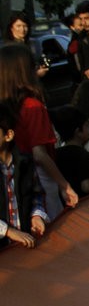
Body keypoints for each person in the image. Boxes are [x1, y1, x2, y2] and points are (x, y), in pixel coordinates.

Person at [0, 44, 78, 218]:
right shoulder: (32, 106)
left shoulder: (5, 105)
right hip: (39, 178)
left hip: (13, 177)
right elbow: (40, 154)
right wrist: (64, 185)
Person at [0, 100, 47, 249]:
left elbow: (36, 194)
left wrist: (36, 216)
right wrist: (8, 231)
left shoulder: (25, 163)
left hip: (24, 243)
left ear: (8, 135)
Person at [50, 105, 89, 196]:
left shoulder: (56, 154)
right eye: (87, 125)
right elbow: (87, 186)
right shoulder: (84, 156)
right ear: (78, 132)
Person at [3, 11, 47, 79]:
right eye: (18, 26)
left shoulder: (33, 43)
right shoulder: (7, 47)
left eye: (25, 26)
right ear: (11, 28)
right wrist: (35, 75)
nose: (22, 29)